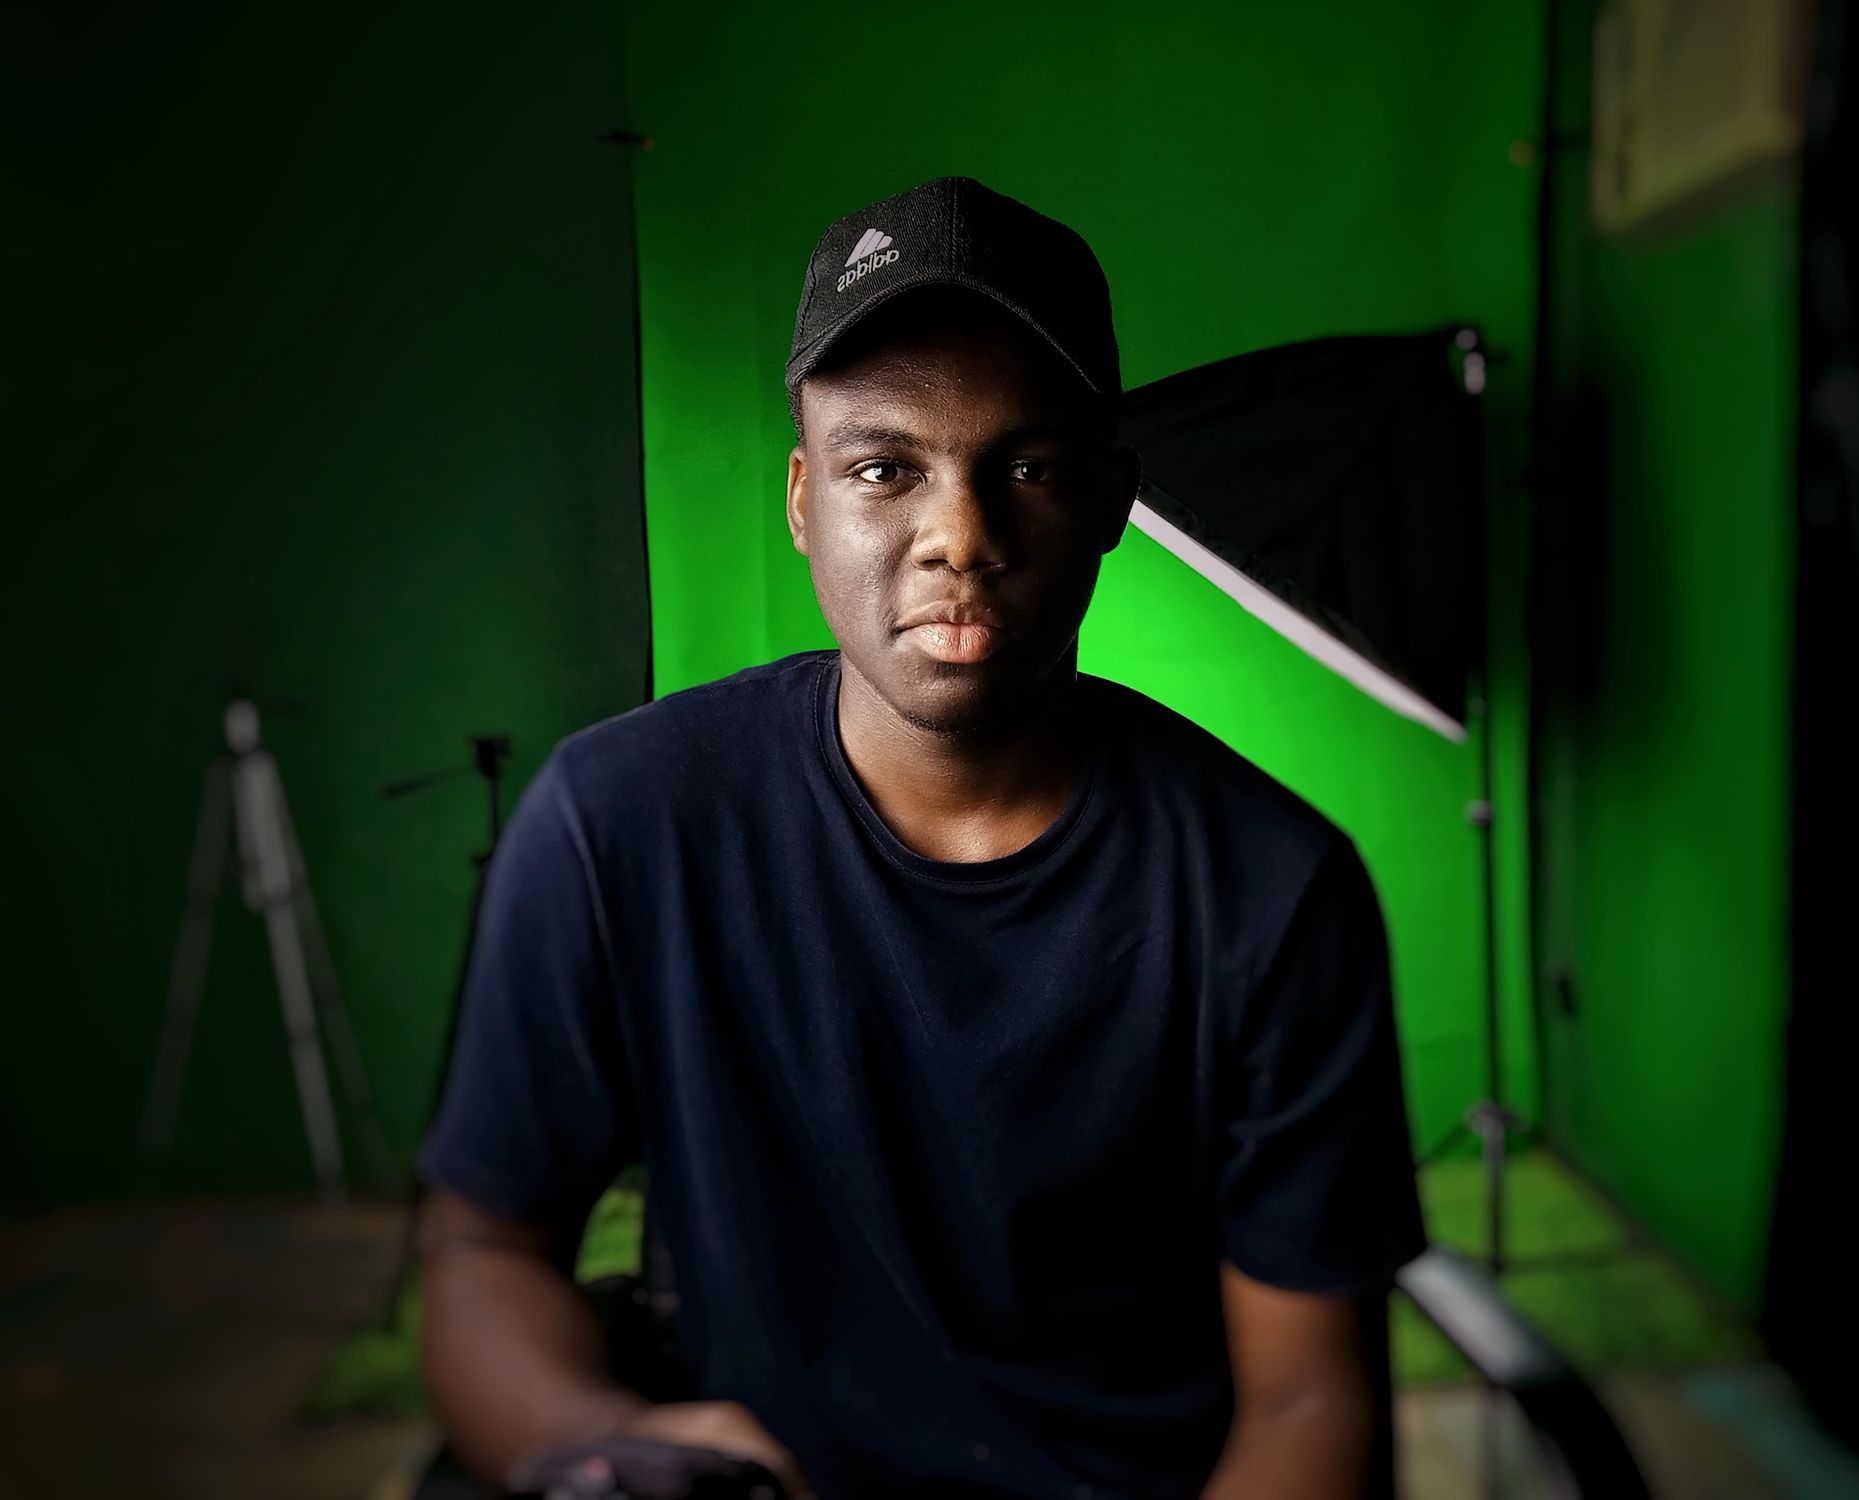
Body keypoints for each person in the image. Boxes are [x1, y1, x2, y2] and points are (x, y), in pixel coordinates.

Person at [418, 176, 1427, 1500]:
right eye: (884, 469)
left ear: (1114, 500)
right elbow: (486, 1250)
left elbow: (1307, 1394)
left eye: (1029, 467)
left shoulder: (1272, 893)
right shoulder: (620, 826)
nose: (960, 534)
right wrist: (598, 1444)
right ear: (802, 500)